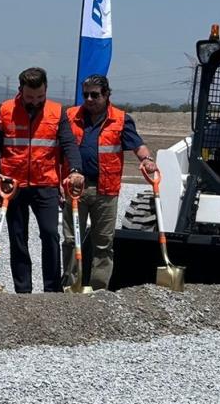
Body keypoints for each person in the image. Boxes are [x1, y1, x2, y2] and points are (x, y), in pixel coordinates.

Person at [0, 67, 84, 293]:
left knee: (50, 233)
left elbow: (69, 145)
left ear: (46, 89)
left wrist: (75, 170)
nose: (35, 101)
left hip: (45, 183)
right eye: (29, 97)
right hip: (13, 185)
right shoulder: (6, 110)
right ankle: (23, 290)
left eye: (40, 96)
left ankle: (52, 289)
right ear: (20, 91)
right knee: (18, 238)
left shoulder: (57, 112)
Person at [65, 74, 158, 290]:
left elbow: (138, 145)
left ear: (107, 95)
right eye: (85, 94)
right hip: (75, 187)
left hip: (106, 190)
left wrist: (147, 159)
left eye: (95, 95)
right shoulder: (71, 116)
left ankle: (99, 290)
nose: (89, 99)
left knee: (103, 242)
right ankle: (71, 286)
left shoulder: (121, 119)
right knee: (71, 241)